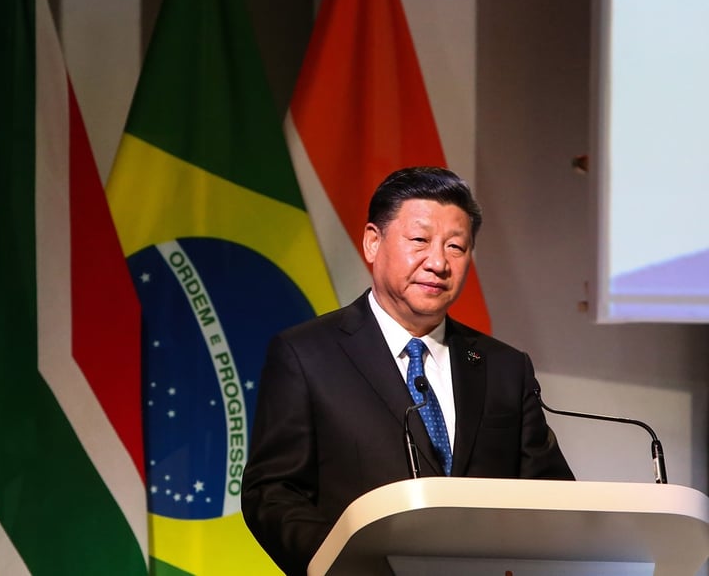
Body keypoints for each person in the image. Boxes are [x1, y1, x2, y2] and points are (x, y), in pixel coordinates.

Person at [241, 166, 574, 576]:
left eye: (456, 247)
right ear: (372, 242)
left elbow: (553, 498)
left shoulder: (504, 367)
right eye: (419, 241)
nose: (438, 262)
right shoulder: (305, 355)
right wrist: (344, 562)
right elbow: (273, 493)